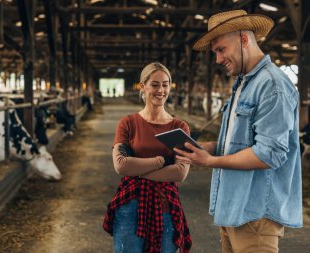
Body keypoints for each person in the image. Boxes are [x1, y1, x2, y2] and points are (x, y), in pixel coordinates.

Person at [174, 10, 303, 253]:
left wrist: (212, 160)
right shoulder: (243, 84)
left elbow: (270, 154)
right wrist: (208, 148)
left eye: (221, 49)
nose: (218, 59)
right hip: (234, 210)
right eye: (215, 53)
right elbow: (241, 142)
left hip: (255, 216)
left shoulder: (272, 85)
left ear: (244, 39)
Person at [103, 62, 192, 253]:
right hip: (129, 206)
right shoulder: (128, 123)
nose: (161, 90)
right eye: (155, 84)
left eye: (166, 84)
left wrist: (138, 169)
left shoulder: (179, 127)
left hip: (165, 207)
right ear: (143, 86)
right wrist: (161, 161)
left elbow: (180, 173)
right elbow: (121, 166)